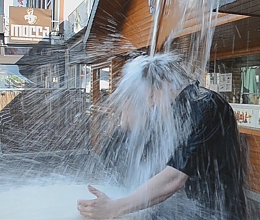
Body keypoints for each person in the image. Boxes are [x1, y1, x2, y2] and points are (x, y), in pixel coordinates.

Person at [77, 53, 247, 219]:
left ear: (165, 84)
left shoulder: (206, 105)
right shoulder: (175, 112)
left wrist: (114, 208)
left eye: (150, 96)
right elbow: (114, 164)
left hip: (217, 212)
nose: (150, 104)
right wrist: (124, 127)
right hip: (187, 209)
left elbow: (174, 178)